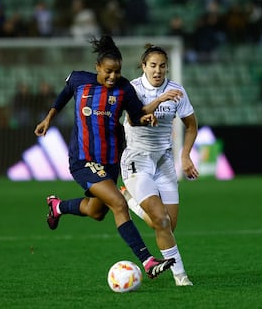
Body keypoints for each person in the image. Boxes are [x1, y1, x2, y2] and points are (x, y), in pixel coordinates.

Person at [34, 36, 183, 280]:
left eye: (117, 71)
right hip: (83, 160)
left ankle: (57, 206)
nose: (113, 77)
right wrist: (48, 118)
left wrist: (151, 110)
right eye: (108, 72)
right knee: (119, 204)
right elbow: (62, 97)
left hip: (111, 162)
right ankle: (147, 261)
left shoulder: (125, 88)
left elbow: (136, 115)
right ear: (97, 68)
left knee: (96, 211)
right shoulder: (79, 80)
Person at [120, 44, 199, 286]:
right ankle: (181, 276)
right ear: (143, 66)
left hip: (163, 160)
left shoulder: (177, 90)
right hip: (137, 159)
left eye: (162, 66)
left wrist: (185, 156)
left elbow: (191, 125)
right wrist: (160, 100)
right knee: (161, 221)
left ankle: (130, 201)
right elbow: (134, 119)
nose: (158, 71)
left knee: (168, 225)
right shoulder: (132, 88)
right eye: (152, 65)